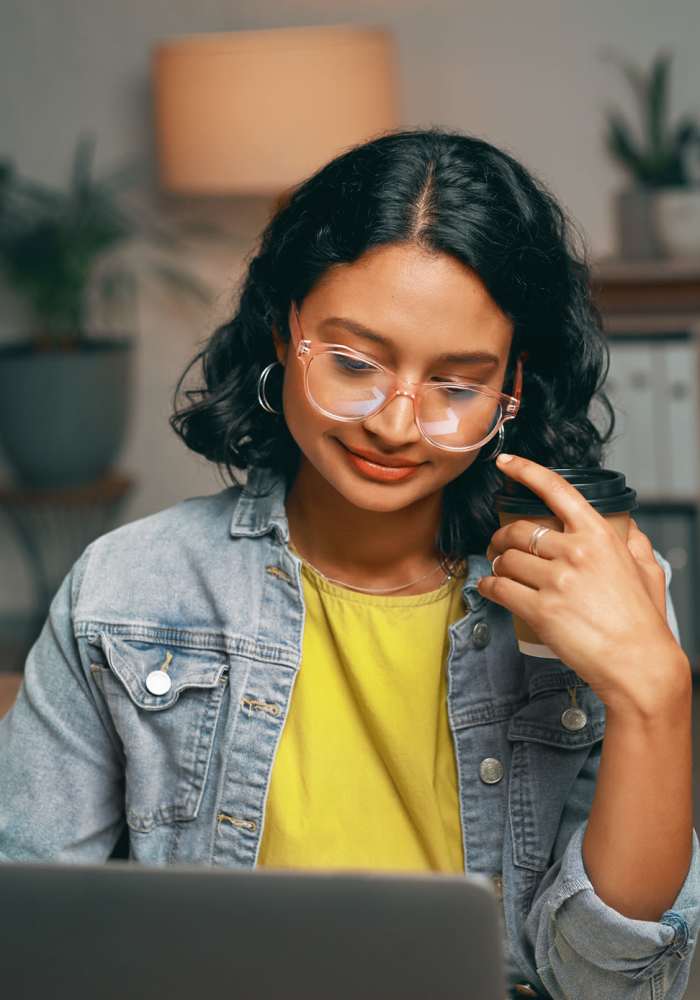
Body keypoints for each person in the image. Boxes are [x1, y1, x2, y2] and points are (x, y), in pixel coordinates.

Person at [0, 127, 697, 999]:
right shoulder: (125, 593)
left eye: (456, 383)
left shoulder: (604, 593)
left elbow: (612, 986)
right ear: (285, 330)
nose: (397, 424)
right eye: (356, 362)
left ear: (513, 387)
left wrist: (657, 695)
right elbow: (27, 942)